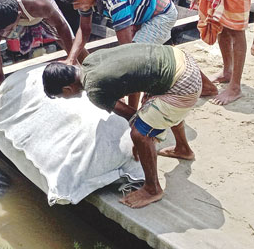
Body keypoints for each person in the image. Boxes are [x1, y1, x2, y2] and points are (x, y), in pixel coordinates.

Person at [42, 44, 203, 209]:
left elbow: (132, 116)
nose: (64, 99)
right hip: (181, 60)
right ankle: (183, 149)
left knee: (139, 134)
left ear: (67, 89)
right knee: (156, 113)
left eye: (61, 96)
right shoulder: (90, 60)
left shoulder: (94, 91)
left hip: (184, 86)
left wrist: (142, 142)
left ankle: (152, 188)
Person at [0, 0, 77, 102]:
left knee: (70, 42)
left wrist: (71, 58)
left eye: (7, 30)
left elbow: (61, 26)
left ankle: (84, 69)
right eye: (1, 30)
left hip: (36, 10)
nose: (3, 33)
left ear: (19, 16)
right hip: (14, 12)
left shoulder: (39, 4)